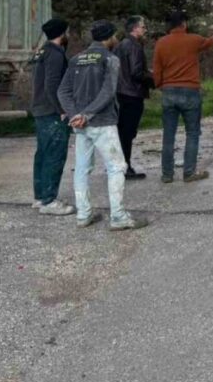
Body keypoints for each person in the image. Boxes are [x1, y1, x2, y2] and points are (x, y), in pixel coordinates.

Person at [57, 20, 147, 231]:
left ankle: (83, 214)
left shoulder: (76, 59)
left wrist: (75, 115)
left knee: (81, 168)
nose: (116, 39)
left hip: (80, 124)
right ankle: (118, 217)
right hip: (102, 122)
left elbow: (63, 91)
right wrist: (86, 115)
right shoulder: (110, 59)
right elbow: (107, 92)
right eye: (114, 35)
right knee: (117, 167)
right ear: (109, 37)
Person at [153, 11, 213, 183]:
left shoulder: (161, 43)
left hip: (168, 92)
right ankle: (189, 173)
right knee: (192, 133)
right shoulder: (194, 40)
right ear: (183, 23)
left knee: (168, 135)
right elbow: (210, 42)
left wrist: (161, 86)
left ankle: (167, 174)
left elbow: (157, 70)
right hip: (190, 91)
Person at [29, 18, 76, 216]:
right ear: (62, 33)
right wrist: (62, 109)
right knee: (54, 155)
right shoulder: (55, 55)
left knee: (43, 154)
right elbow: (52, 85)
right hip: (52, 111)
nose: (70, 34)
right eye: (68, 31)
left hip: (40, 109)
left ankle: (40, 197)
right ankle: (49, 200)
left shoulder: (42, 51)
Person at [115, 16, 151, 180]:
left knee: (122, 132)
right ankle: (125, 167)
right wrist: (152, 78)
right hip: (132, 94)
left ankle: (121, 165)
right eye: (143, 27)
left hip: (120, 93)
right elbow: (136, 73)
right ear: (135, 29)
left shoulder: (120, 45)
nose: (145, 30)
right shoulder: (135, 46)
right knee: (128, 133)